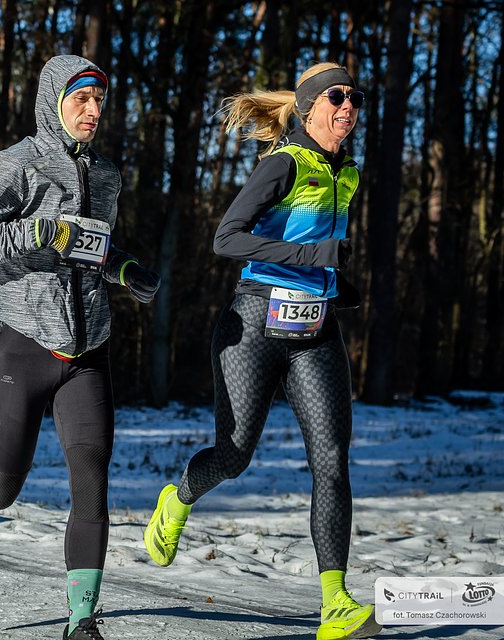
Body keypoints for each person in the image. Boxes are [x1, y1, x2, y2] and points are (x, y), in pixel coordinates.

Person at [0, 55, 161, 640]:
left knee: (92, 477)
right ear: (54, 101)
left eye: (100, 100)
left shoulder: (105, 175)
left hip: (89, 348)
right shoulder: (12, 166)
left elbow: (94, 251)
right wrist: (37, 229)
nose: (93, 110)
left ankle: (82, 622)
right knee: (4, 486)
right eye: (81, 98)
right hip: (22, 346)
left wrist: (125, 270)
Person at [142, 63, 382, 640]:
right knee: (234, 453)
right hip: (254, 324)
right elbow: (228, 238)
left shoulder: (346, 172)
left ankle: (335, 605)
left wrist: (334, 284)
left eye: (356, 97)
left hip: (315, 331)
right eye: (336, 96)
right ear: (306, 106)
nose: (348, 105)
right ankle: (177, 498)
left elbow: (312, 246)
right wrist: (317, 258)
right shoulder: (283, 163)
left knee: (332, 463)